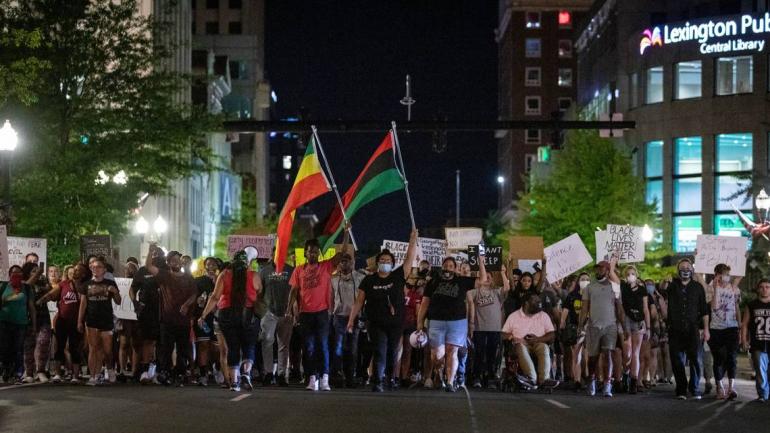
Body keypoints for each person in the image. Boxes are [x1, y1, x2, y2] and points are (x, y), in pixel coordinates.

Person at [347, 229, 418, 392]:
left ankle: (390, 377)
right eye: (382, 260)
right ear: (377, 263)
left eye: (388, 260)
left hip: (395, 323)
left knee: (393, 351)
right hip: (376, 323)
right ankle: (378, 380)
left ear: (392, 264)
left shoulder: (398, 276)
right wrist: (351, 320)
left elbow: (409, 259)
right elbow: (359, 301)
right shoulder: (369, 280)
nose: (385, 262)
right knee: (379, 349)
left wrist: (412, 239)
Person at [286, 230, 350, 392]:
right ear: (306, 254)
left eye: (315, 252)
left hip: (322, 313)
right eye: (310, 252)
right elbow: (294, 291)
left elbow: (342, 253)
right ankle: (312, 378)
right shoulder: (299, 270)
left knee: (322, 345)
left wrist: (346, 233)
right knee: (308, 347)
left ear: (319, 254)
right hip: (305, 313)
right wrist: (289, 309)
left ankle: (325, 378)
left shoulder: (326, 266)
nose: (313, 254)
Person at [416, 252, 486, 393]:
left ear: (455, 268)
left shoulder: (461, 281)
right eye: (445, 265)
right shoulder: (433, 282)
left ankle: (450, 381)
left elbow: (482, 280)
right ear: (442, 267)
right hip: (436, 322)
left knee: (452, 351)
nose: (448, 268)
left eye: (451, 266)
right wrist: (419, 322)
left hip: (457, 323)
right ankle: (439, 373)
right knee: (437, 355)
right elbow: (424, 304)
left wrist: (481, 262)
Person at [199, 250, 261, 392]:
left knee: (232, 347)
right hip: (248, 314)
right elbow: (259, 292)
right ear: (247, 262)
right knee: (249, 346)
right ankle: (246, 373)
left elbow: (215, 297)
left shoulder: (224, 275)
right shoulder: (253, 275)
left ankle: (234, 382)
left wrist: (203, 315)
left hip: (227, 314)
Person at [145, 247, 198, 386]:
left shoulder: (188, 278)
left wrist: (186, 304)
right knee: (166, 348)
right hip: (167, 319)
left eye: (178, 260)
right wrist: (150, 251)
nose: (176, 263)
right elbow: (149, 266)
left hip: (183, 320)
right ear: (168, 263)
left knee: (182, 348)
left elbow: (194, 294)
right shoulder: (164, 275)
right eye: (173, 260)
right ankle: (165, 372)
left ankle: (180, 373)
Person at [579, 258, 626, 398]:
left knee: (608, 354)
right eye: (597, 268)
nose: (598, 270)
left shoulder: (615, 286)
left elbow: (619, 308)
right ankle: (592, 380)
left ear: (607, 271)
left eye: (601, 268)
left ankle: (607, 384)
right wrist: (581, 325)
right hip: (593, 326)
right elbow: (584, 308)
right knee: (593, 358)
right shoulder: (589, 288)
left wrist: (624, 327)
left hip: (610, 326)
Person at [666, 258, 709, 400]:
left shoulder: (697, 287)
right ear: (678, 270)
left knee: (696, 360)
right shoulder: (672, 286)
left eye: (688, 267)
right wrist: (664, 282)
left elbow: (704, 310)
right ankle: (681, 390)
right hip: (675, 329)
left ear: (692, 270)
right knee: (677, 360)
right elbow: (661, 290)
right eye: (682, 267)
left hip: (693, 329)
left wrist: (706, 329)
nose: (685, 269)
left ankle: (695, 388)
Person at [77, 257, 120, 385]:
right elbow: (83, 304)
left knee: (107, 350)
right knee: (93, 348)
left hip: (106, 319)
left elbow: (118, 301)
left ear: (104, 270)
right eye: (93, 267)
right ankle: (93, 375)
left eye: (99, 267)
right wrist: (79, 321)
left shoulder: (110, 283)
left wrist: (115, 292)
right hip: (91, 319)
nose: (95, 269)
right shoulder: (86, 285)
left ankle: (110, 368)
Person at [502, 291, 558, 388]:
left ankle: (544, 380)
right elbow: (503, 334)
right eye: (535, 301)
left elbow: (552, 334)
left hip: (538, 342)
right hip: (521, 344)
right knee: (520, 347)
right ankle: (531, 378)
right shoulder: (514, 316)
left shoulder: (543, 315)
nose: (539, 303)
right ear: (527, 303)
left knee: (544, 347)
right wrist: (513, 337)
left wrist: (538, 339)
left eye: (539, 300)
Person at [468, 264, 509, 388]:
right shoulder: (475, 292)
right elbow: (468, 297)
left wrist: (502, 273)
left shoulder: (497, 292)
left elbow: (507, 288)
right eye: (484, 277)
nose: (487, 279)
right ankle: (477, 376)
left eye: (489, 277)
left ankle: (490, 376)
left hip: (494, 329)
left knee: (492, 354)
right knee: (479, 353)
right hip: (479, 329)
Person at [42, 264, 83, 384]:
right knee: (59, 347)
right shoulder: (63, 284)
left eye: (76, 271)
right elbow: (52, 295)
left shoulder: (83, 286)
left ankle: (75, 375)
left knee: (74, 348)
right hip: (62, 320)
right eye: (71, 272)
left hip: (76, 321)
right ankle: (57, 374)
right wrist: (42, 300)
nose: (73, 274)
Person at [258, 252, 294, 387]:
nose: (278, 256)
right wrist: (262, 311)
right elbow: (259, 292)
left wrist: (292, 310)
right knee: (267, 341)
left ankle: (281, 374)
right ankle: (268, 373)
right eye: (276, 253)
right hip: (269, 313)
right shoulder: (264, 271)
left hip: (286, 313)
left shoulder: (290, 270)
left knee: (284, 345)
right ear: (272, 255)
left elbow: (295, 290)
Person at [707, 264, 742, 400]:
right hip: (716, 328)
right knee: (719, 358)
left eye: (727, 274)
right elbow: (714, 307)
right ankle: (720, 387)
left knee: (732, 357)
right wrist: (715, 289)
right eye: (722, 274)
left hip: (731, 327)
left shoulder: (734, 288)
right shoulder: (710, 287)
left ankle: (731, 387)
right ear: (716, 274)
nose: (725, 276)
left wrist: (739, 325)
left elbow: (737, 307)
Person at [331, 253, 366, 387]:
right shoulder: (333, 279)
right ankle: (338, 376)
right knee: (338, 347)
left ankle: (350, 376)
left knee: (352, 348)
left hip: (355, 317)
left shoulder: (360, 278)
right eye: (342, 261)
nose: (344, 264)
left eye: (347, 261)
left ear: (352, 263)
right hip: (339, 316)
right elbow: (331, 298)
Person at [130, 249, 163, 384]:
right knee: (146, 341)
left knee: (162, 343)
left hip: (162, 310)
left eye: (157, 255)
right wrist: (135, 302)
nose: (154, 257)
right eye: (153, 254)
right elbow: (133, 288)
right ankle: (144, 370)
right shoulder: (142, 271)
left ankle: (159, 371)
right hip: (146, 311)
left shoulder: (165, 271)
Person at [0, 265, 36, 384]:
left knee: (18, 349)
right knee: (5, 348)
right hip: (5, 322)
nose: (16, 275)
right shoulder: (3, 286)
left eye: (19, 273)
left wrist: (34, 326)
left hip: (21, 323)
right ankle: (6, 371)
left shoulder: (26, 288)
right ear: (9, 275)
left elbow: (31, 307)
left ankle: (17, 373)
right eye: (14, 273)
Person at [620, 265, 651, 394]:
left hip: (639, 321)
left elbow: (645, 308)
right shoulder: (623, 288)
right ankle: (625, 373)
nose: (630, 276)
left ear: (637, 275)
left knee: (635, 353)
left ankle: (633, 381)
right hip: (626, 320)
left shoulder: (642, 290)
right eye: (628, 274)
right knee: (627, 352)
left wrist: (648, 327)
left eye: (632, 273)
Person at [741, 279, 770, 402]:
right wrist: (744, 340)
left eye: (767, 287)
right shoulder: (752, 305)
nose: (764, 289)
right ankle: (763, 394)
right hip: (757, 343)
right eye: (762, 287)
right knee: (760, 371)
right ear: (758, 289)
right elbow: (745, 324)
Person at [193, 257, 219, 386]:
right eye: (209, 263)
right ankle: (203, 373)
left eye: (214, 263)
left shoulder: (222, 279)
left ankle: (216, 367)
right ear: (205, 266)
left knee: (216, 347)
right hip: (203, 317)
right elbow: (194, 297)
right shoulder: (198, 281)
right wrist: (199, 301)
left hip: (219, 318)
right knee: (203, 345)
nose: (211, 265)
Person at [561, 272, 589, 389]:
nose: (585, 281)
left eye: (587, 279)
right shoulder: (572, 295)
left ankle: (587, 376)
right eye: (583, 279)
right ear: (578, 282)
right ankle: (577, 379)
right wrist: (562, 322)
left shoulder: (592, 295)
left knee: (587, 355)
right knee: (576, 354)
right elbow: (566, 310)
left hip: (589, 327)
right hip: (575, 328)